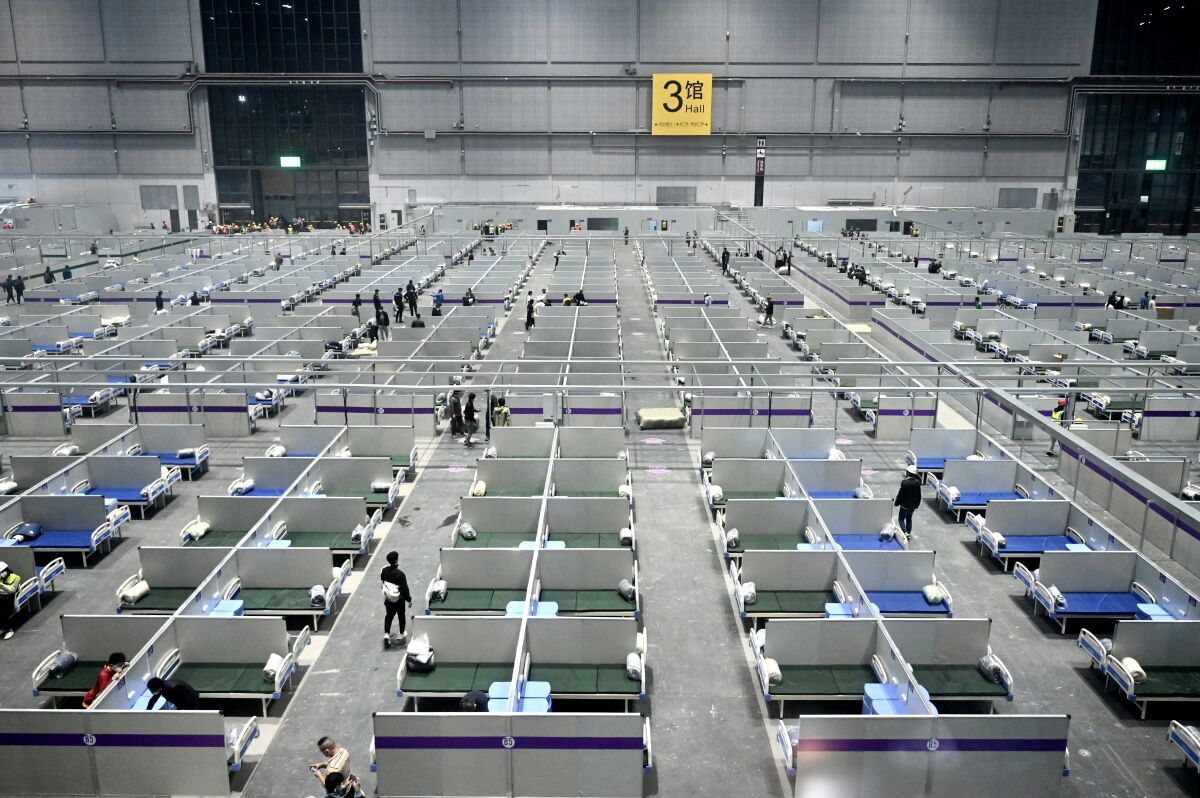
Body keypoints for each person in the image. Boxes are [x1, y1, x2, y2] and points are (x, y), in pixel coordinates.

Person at [381, 551, 412, 649]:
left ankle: (386, 634)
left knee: (389, 616)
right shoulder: (400, 574)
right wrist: (409, 600)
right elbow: (404, 589)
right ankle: (401, 633)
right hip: (399, 600)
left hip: (388, 599)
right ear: (396, 560)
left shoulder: (384, 571)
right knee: (401, 615)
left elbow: (383, 581)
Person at [893, 464, 922, 537]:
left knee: (901, 519)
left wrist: (896, 503)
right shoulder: (917, 482)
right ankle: (908, 533)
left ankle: (905, 533)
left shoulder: (904, 482)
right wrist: (917, 504)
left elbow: (901, 494)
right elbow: (919, 495)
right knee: (909, 518)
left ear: (908, 472)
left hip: (905, 505)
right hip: (913, 505)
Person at [0, 562, 20, 640]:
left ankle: (9, 630)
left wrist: (2, 586)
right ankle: (2, 628)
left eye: (1, 572)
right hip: (2, 596)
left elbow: (12, 591)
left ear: (6, 570)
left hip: (11, 597)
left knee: (3, 612)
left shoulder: (16, 577)